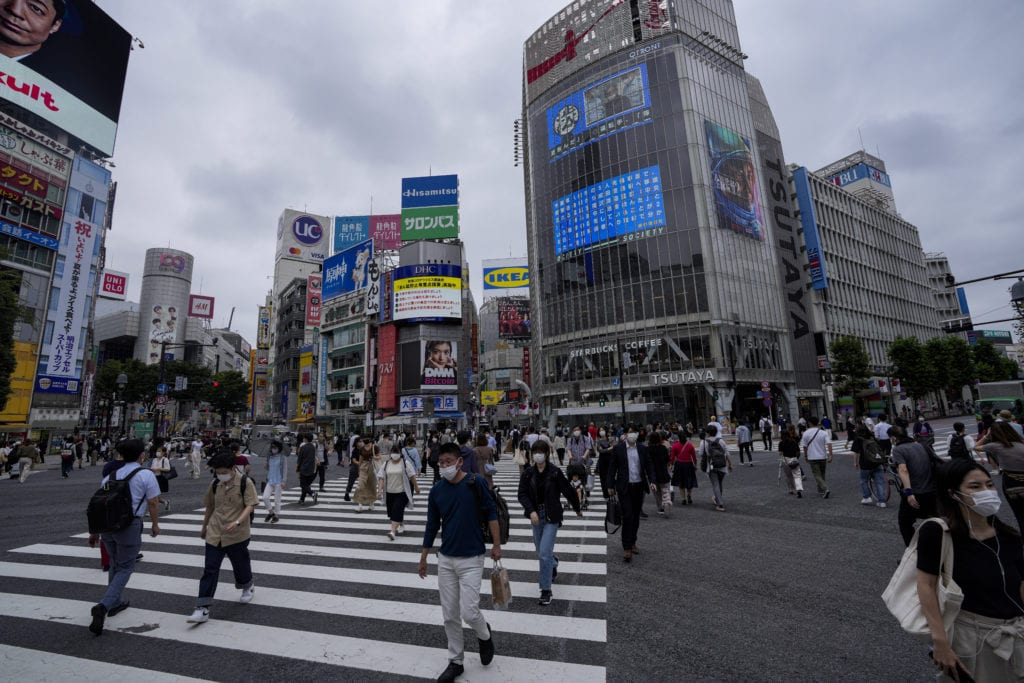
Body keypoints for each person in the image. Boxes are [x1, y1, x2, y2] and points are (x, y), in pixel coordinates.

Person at [916, 458, 1024, 682]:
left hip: (1017, 631)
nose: (987, 491)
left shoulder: (1009, 535)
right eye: (975, 487)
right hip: (972, 635)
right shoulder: (939, 533)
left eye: (989, 484)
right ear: (952, 493)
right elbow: (925, 585)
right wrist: (940, 642)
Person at [418, 442, 499, 682]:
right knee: (450, 614)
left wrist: (496, 545)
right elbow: (432, 524)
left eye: (448, 462)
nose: (444, 466)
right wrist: (423, 557)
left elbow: (492, 512)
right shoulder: (437, 490)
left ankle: (484, 635)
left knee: (470, 612)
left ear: (459, 462)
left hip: (473, 557)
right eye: (440, 463)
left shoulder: (476, 483)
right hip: (445, 559)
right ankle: (456, 661)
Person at [86, 439, 161, 635]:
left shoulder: (110, 475)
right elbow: (153, 502)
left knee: (114, 563)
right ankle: (104, 605)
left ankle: (115, 601)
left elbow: (99, 504)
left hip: (106, 526)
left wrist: (94, 531)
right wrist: (155, 524)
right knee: (126, 566)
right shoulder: (145, 474)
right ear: (141, 455)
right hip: (129, 524)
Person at [186, 451, 258, 624]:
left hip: (237, 533)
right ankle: (202, 608)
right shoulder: (215, 483)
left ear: (233, 468)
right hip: (215, 531)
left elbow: (251, 505)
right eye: (217, 472)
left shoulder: (244, 482)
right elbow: (210, 506)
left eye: (223, 472)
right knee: (210, 568)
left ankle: (247, 585)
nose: (220, 475)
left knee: (240, 564)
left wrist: (238, 522)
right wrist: (204, 526)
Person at [517, 439, 581, 606]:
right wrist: (531, 511)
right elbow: (522, 494)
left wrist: (577, 508)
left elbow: (568, 490)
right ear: (532, 455)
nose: (538, 455)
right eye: (535, 452)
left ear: (546, 454)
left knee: (544, 553)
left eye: (541, 452)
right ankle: (553, 563)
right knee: (541, 552)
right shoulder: (528, 473)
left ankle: (546, 590)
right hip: (536, 516)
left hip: (552, 516)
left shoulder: (554, 472)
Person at [606, 428, 656, 562]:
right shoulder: (619, 449)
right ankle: (627, 547)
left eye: (635, 432)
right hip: (624, 487)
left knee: (635, 517)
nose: (632, 434)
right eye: (630, 432)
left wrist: (652, 481)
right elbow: (612, 467)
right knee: (627, 516)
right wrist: (610, 485)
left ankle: (633, 541)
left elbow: (649, 465)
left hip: (638, 486)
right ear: (625, 435)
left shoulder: (642, 448)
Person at [891, 425, 937, 546]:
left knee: (904, 522)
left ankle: (913, 553)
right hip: (932, 490)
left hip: (916, 492)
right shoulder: (920, 445)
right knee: (935, 520)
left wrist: (909, 492)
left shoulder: (898, 449)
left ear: (894, 438)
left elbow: (903, 469)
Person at [976, 421, 1024, 532]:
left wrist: (987, 435)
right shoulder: (1021, 442)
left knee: (1019, 513)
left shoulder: (995, 446)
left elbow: (976, 447)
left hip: (1011, 481)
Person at [377, 445, 419, 541]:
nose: (395, 454)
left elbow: (412, 476)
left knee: (396, 510)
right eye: (393, 452)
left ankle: (392, 532)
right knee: (393, 513)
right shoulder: (386, 464)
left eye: (397, 452)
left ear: (400, 453)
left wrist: (416, 487)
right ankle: (401, 523)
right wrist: (379, 490)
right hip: (389, 492)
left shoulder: (405, 463)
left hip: (402, 492)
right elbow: (381, 477)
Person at [698, 425, 734, 511]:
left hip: (711, 465)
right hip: (722, 464)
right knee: (719, 483)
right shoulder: (721, 441)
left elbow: (701, 454)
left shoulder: (704, 442)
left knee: (715, 484)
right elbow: (727, 453)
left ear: (708, 433)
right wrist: (730, 464)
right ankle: (718, 499)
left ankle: (719, 504)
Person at [851, 426, 886, 508]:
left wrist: (855, 463)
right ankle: (882, 501)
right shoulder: (872, 437)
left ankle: (867, 497)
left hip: (865, 464)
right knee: (879, 482)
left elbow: (856, 453)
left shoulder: (858, 439)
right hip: (877, 463)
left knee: (863, 480)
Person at [800, 416, 833, 499]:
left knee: (817, 475)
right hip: (822, 456)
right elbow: (829, 444)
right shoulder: (823, 432)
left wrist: (805, 456)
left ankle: (825, 489)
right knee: (822, 474)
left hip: (812, 457)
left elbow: (804, 446)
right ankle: (820, 490)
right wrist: (831, 455)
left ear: (810, 423)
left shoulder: (806, 433)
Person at [669, 430, 697, 505]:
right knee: (689, 481)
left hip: (679, 465)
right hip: (688, 464)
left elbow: (672, 457)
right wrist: (695, 464)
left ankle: (683, 499)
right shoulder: (690, 445)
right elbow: (694, 456)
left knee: (681, 482)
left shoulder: (675, 445)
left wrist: (671, 464)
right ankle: (689, 495)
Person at [262, 439, 286, 524]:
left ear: (279, 448)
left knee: (277, 500)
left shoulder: (282, 458)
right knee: (265, 497)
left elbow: (284, 470)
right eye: (272, 447)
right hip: (270, 480)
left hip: (278, 481)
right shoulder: (269, 457)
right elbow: (267, 468)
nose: (273, 449)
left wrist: (284, 481)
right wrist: (266, 463)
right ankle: (271, 512)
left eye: (275, 448)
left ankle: (276, 516)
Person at [648, 431, 672, 514]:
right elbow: (667, 460)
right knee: (665, 489)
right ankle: (666, 501)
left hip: (653, 474)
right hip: (663, 472)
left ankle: (660, 507)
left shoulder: (648, 449)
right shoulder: (663, 448)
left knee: (656, 493)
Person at [353, 435, 379, 512]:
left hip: (372, 467)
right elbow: (361, 459)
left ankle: (371, 503)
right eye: (365, 442)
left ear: (370, 441)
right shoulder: (361, 449)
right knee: (361, 485)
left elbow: (379, 457)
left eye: (367, 442)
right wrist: (359, 469)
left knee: (371, 485)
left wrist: (375, 457)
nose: (366, 443)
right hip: (364, 467)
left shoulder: (375, 447)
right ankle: (360, 505)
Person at [778, 425, 803, 498]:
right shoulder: (794, 442)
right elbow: (798, 452)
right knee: (797, 475)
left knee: (789, 476)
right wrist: (796, 458)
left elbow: (780, 453)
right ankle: (799, 489)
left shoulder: (781, 443)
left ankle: (791, 489)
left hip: (785, 460)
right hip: (794, 459)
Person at [295, 433, 318, 505]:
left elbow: (300, 459)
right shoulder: (313, 447)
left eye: (304, 438)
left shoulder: (303, 447)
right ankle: (302, 499)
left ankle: (312, 493)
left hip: (304, 468)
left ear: (306, 439)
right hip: (311, 468)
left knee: (303, 485)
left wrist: (297, 468)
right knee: (306, 484)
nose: (303, 439)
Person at [150, 444, 172, 511]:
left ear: (163, 452)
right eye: (157, 451)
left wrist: (158, 469)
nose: (158, 452)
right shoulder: (154, 459)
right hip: (153, 478)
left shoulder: (165, 460)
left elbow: (168, 469)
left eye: (159, 451)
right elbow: (151, 467)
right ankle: (165, 502)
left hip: (161, 478)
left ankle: (152, 510)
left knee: (154, 495)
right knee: (153, 495)